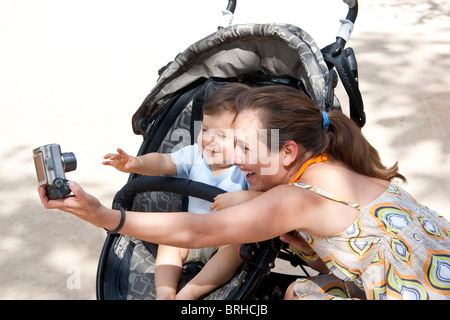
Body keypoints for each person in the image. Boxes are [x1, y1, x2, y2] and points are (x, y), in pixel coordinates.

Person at [38, 85, 450, 300]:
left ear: (288, 151)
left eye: (247, 148)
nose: (235, 159)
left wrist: (104, 216)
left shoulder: (295, 199)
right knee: (302, 289)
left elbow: (200, 231)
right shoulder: (344, 168)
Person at [102, 82, 250, 300]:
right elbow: (163, 161)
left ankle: (189, 293)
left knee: (235, 249)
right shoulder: (194, 155)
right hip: (192, 233)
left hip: (228, 237)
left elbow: (266, 198)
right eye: (206, 129)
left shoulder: (246, 168)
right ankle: (165, 293)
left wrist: (242, 197)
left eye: (221, 136)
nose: (209, 140)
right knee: (169, 240)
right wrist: (136, 163)